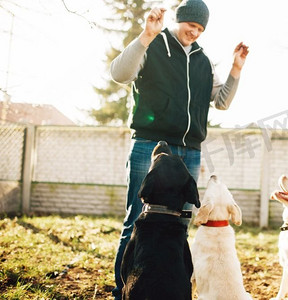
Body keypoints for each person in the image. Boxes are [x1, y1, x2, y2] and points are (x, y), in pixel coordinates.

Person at [109, 0, 249, 298]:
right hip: (151, 144)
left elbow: (221, 101)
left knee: (179, 224)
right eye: (191, 26)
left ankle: (169, 288)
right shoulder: (154, 44)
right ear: (179, 19)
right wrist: (146, 35)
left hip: (189, 150)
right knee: (138, 217)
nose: (195, 33)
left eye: (200, 29)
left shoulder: (202, 61)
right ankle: (125, 289)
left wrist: (236, 70)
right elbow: (119, 75)